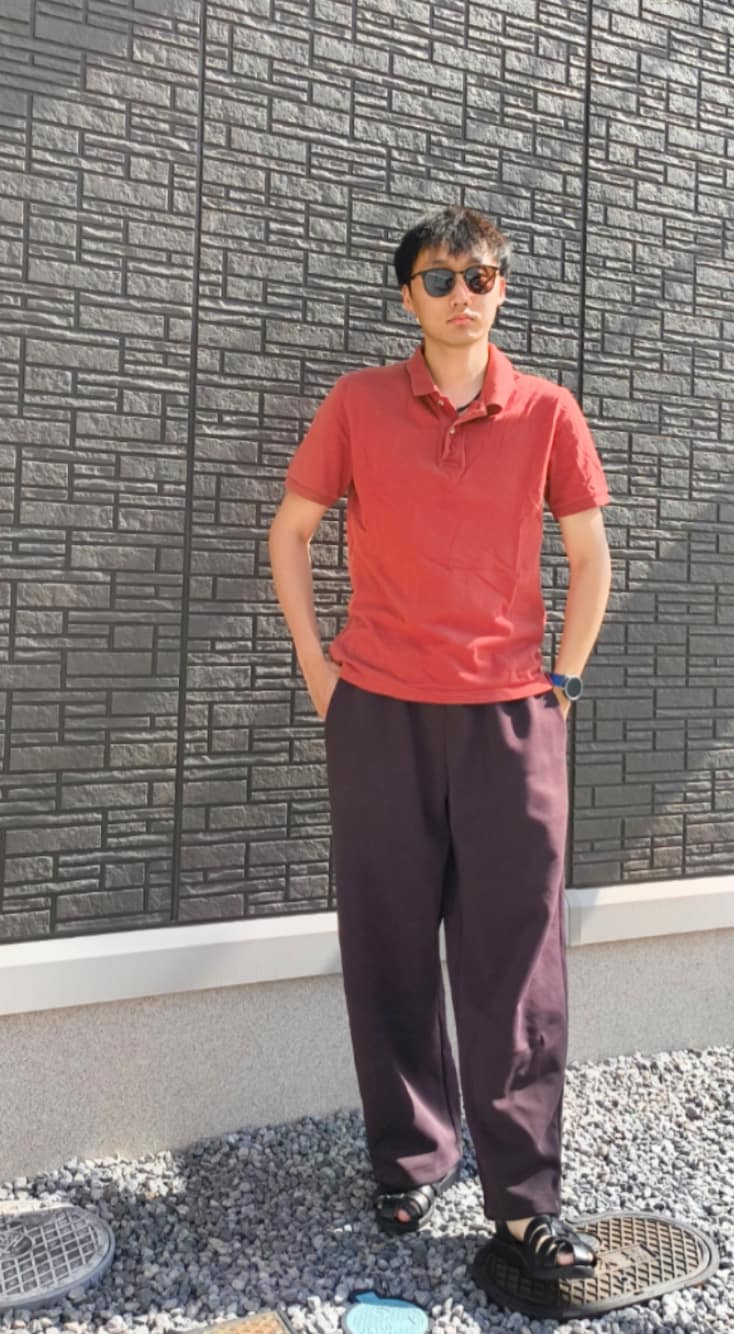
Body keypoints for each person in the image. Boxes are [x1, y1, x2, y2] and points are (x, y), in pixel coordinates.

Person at [268, 205, 612, 1283]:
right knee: (389, 942)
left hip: (511, 718)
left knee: (517, 960)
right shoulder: (358, 403)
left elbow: (590, 555)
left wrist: (562, 680)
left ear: (501, 289)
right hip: (378, 709)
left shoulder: (547, 410)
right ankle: (411, 1155)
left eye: (483, 276)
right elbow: (291, 531)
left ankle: (524, 1200)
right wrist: (321, 672)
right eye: (441, 277)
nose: (465, 294)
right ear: (407, 292)